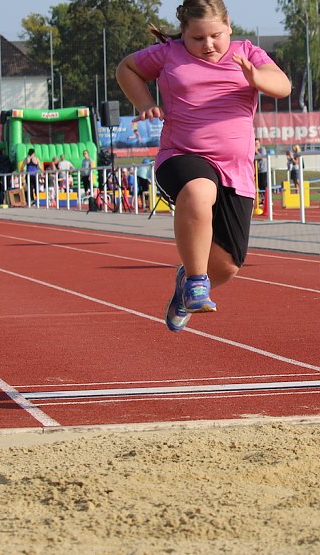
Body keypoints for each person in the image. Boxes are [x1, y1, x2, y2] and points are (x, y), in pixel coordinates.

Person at [116, 0, 291, 332]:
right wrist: (145, 102)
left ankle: (185, 286)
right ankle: (197, 281)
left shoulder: (247, 52)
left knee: (226, 268)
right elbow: (127, 68)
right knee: (199, 191)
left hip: (236, 170)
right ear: (183, 34)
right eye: (198, 39)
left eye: (215, 35)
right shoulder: (169, 53)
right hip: (181, 155)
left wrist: (256, 77)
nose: (208, 45)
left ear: (228, 27)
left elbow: (282, 86)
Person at [254, 137, 269, 203]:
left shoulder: (262, 149)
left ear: (259, 143)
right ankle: (262, 199)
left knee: (263, 184)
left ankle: (266, 199)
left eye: (257, 143)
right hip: (257, 170)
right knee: (259, 185)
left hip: (263, 170)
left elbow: (262, 157)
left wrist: (256, 151)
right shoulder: (253, 150)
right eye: (255, 143)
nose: (256, 144)